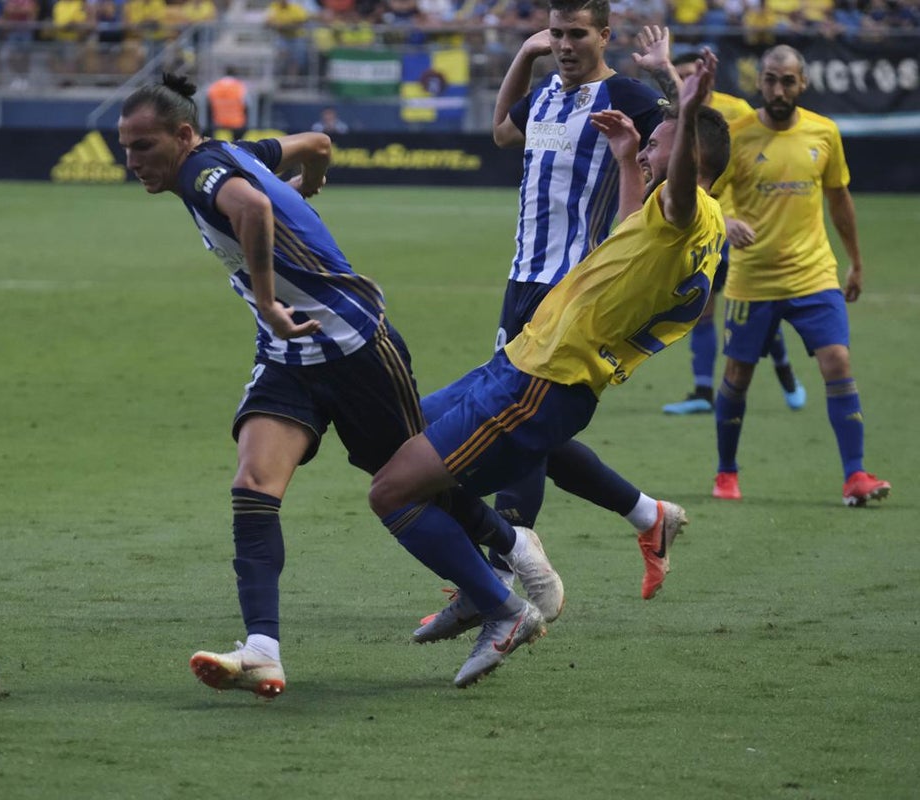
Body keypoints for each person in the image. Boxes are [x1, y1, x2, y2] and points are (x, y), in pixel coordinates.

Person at [117, 74, 549, 696]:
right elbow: (317, 142)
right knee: (254, 483)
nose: (133, 161)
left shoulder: (200, 173)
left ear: (184, 136)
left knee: (408, 485)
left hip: (354, 347)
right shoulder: (236, 154)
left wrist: (266, 297)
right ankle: (262, 647)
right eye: (125, 147)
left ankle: (506, 586)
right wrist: (309, 187)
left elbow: (254, 208)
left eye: (144, 146)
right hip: (290, 354)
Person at [372, 52, 731, 656]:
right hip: (520, 361)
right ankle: (505, 565)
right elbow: (627, 235)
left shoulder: (691, 210)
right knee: (390, 441)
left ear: (691, 158)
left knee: (397, 487)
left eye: (655, 144)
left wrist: (687, 100)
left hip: (544, 380)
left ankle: (499, 590)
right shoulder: (672, 220)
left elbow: (678, 193)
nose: (645, 149)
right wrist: (625, 160)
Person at [417, 4, 684, 629]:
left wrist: (671, 79)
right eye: (556, 34)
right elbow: (501, 134)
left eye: (576, 34)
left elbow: (690, 142)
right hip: (522, 282)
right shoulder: (542, 97)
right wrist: (523, 55)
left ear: (604, 37)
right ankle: (648, 515)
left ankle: (503, 574)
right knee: (532, 425)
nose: (565, 45)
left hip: (575, 284)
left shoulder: (626, 94)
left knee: (516, 423)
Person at [711, 45, 891, 507]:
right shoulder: (737, 135)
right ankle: (726, 472)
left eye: (787, 81)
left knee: (838, 362)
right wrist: (727, 219)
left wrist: (855, 261)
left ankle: (855, 475)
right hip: (753, 279)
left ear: (802, 84)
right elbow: (709, 189)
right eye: (770, 79)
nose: (777, 89)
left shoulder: (824, 132)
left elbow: (839, 199)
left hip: (814, 274)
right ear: (760, 82)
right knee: (737, 375)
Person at [661, 49, 806, 416]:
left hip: (742, 229)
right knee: (702, 309)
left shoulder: (737, 112)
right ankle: (702, 391)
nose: (684, 81)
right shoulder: (671, 119)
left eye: (691, 73)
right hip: (701, 227)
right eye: (677, 75)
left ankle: (785, 369)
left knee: (756, 310)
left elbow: (765, 162)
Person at [205, 70, 249, 138]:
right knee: (237, 144)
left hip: (218, 121)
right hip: (236, 122)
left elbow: (209, 103)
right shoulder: (239, 86)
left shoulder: (215, 86)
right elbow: (246, 104)